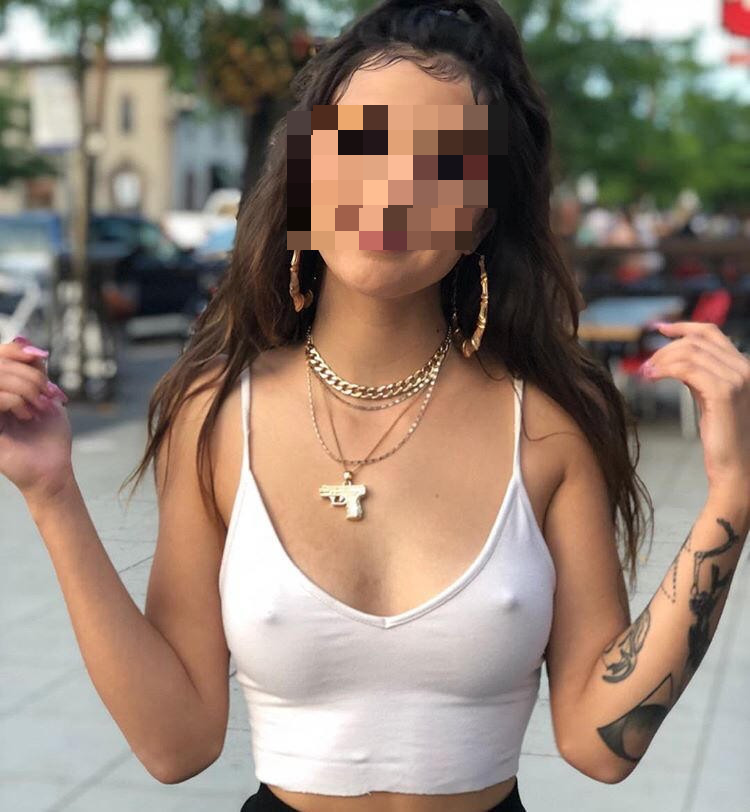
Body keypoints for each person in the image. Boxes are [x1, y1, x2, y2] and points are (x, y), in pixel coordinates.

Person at [2, 2, 749, 812]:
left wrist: (733, 497)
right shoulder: (214, 417)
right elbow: (176, 744)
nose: (393, 189)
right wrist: (53, 494)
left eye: (440, 164)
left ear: (478, 217)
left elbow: (599, 743)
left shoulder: (545, 429)